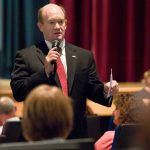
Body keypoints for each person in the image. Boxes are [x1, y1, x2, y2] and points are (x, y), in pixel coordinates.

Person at [10, 3, 119, 138]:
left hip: (76, 133)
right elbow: (18, 92)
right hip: (42, 134)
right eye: (51, 22)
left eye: (61, 22)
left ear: (66, 24)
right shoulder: (26, 56)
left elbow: (92, 89)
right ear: (40, 26)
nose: (57, 27)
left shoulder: (84, 56)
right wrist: (44, 72)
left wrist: (106, 90)